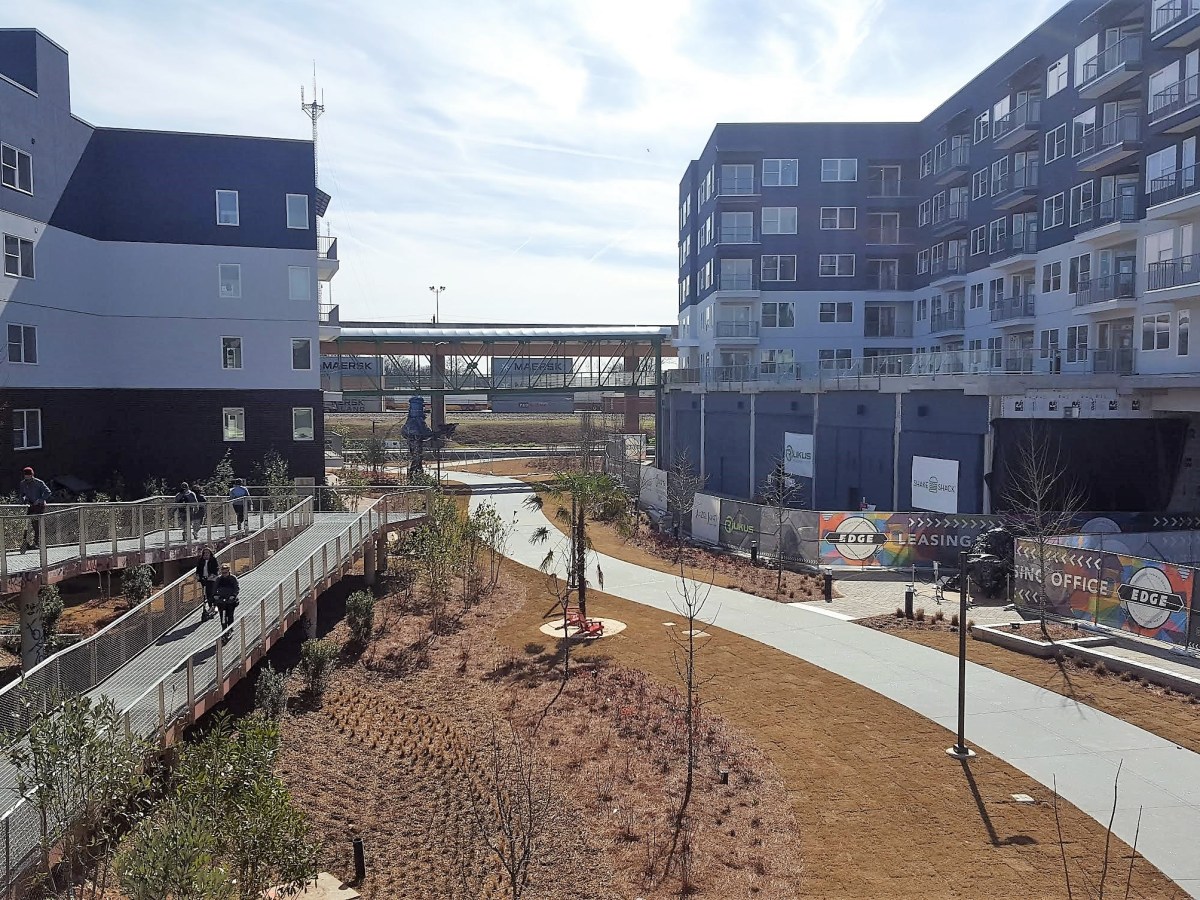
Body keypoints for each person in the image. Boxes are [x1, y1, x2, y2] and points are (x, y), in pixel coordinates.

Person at [18, 467, 51, 553]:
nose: (28, 478)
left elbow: (48, 492)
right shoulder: (23, 483)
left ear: (32, 475)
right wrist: (23, 501)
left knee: (36, 524)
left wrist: (40, 500)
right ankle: (25, 542)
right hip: (30, 505)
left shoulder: (39, 483)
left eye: (29, 476)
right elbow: (22, 494)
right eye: (26, 476)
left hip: (39, 506)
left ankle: (37, 542)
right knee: (27, 524)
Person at [214, 562, 240, 632]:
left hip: (230, 600)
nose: (224, 574)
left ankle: (230, 627)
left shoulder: (233, 578)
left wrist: (233, 595)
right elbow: (214, 588)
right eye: (223, 573)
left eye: (225, 572)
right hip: (221, 599)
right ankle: (224, 628)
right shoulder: (219, 579)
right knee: (222, 615)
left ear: (229, 571)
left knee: (230, 615)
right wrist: (215, 595)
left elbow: (236, 588)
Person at [195, 547, 219, 618]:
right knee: (206, 594)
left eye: (207, 553)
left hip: (211, 579)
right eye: (204, 553)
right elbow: (198, 569)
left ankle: (214, 606)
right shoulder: (201, 561)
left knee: (211, 592)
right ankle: (210, 606)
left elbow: (216, 569)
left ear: (210, 554)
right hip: (204, 579)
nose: (206, 554)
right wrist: (198, 576)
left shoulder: (213, 560)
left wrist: (211, 576)